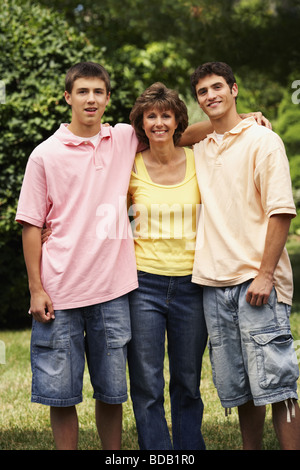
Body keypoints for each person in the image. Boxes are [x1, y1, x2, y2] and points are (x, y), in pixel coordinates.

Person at [15, 62, 215, 450]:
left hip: (113, 290)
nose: (91, 99)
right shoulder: (44, 155)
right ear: (68, 97)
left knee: (113, 390)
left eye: (98, 92)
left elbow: (175, 131)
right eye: (83, 92)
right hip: (62, 290)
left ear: (108, 98)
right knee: (65, 393)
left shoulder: (123, 138)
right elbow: (30, 225)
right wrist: (35, 288)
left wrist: (238, 119)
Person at [190, 61, 300, 450]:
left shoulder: (263, 141)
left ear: (234, 89)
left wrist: (265, 274)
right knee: (240, 387)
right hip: (213, 284)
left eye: (218, 87)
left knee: (279, 383)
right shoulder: (200, 146)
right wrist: (226, 123)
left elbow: (281, 210)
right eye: (203, 92)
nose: (211, 96)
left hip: (257, 281)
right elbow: (169, 132)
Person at [127, 82, 207, 450]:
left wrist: (250, 116)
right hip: (144, 284)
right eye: (151, 116)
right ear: (142, 123)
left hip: (192, 284)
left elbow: (219, 125)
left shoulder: (197, 158)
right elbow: (93, 199)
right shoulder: (130, 167)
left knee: (188, 380)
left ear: (177, 122)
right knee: (146, 381)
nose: (159, 122)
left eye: (166, 115)